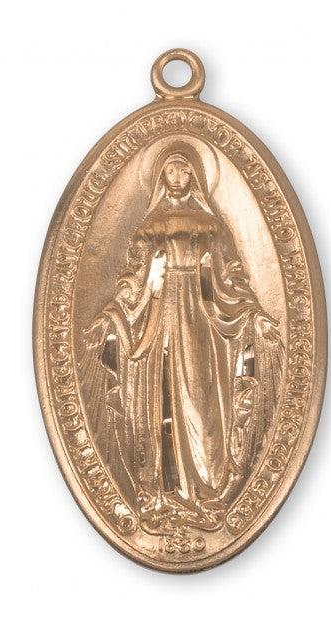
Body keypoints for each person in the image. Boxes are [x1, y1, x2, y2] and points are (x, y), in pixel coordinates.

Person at [80, 141, 283, 533]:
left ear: (195, 175)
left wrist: (253, 313)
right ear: (161, 176)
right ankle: (164, 492)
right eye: (170, 170)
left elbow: (228, 279)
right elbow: (135, 281)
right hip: (160, 319)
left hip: (201, 320)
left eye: (184, 170)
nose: (177, 177)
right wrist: (112, 314)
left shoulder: (211, 226)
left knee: (202, 400)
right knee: (163, 397)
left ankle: (207, 489)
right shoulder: (149, 227)